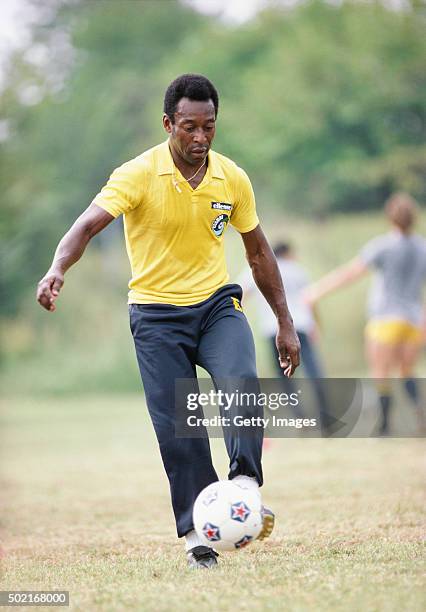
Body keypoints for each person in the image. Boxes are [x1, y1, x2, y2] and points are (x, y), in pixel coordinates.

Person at [36, 74, 300, 568]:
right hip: (157, 316)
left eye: (209, 127)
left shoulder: (231, 178)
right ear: (168, 124)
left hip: (218, 305)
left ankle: (243, 486)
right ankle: (198, 534)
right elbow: (86, 225)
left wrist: (284, 321)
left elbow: (258, 251)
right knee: (181, 428)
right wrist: (57, 269)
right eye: (188, 128)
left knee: (241, 381)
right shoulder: (137, 174)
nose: (199, 138)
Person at [306, 193, 426, 435]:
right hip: (414, 320)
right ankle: (419, 415)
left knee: (380, 373)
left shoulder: (382, 246)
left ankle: (384, 427)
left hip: (385, 319)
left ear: (389, 217)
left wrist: (316, 291)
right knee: (406, 371)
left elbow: (350, 273)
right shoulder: (422, 247)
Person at [240, 242, 329, 431]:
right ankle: (325, 416)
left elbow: (240, 295)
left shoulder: (256, 269)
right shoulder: (298, 270)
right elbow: (309, 300)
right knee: (313, 371)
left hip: (273, 330)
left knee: (284, 375)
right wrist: (316, 326)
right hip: (301, 327)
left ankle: (299, 417)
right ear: (288, 253)